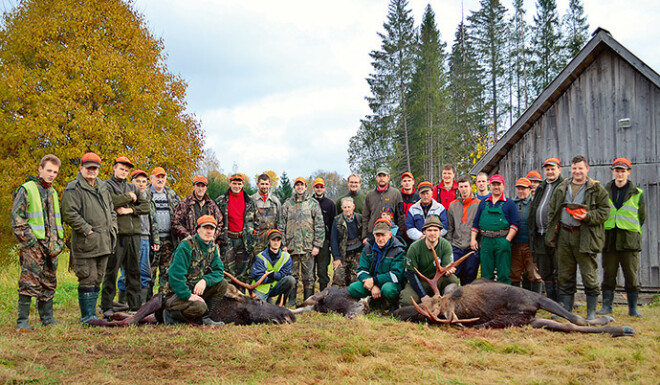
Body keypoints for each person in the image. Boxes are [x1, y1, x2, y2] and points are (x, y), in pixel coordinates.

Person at [546, 155, 609, 320]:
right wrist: (554, 229)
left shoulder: (596, 189)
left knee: (589, 275)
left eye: (580, 168)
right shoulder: (563, 187)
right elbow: (553, 210)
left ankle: (591, 314)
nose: (577, 171)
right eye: (574, 168)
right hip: (565, 236)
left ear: (587, 169)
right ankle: (566, 311)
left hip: (585, 236)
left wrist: (587, 215)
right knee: (565, 275)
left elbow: (604, 212)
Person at [62, 152, 117, 323]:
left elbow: (111, 209)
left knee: (98, 276)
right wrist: (87, 229)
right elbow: (69, 213)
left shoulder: (102, 186)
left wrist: (113, 227)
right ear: (81, 168)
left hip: (104, 241)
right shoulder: (74, 188)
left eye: (95, 168)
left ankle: (93, 313)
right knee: (87, 276)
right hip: (86, 242)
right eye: (89, 168)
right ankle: (87, 316)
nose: (92, 171)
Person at [12, 154, 65, 329]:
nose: (52, 174)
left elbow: (56, 220)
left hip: (52, 246)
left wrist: (59, 241)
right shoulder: (27, 189)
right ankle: (23, 322)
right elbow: (17, 219)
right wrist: (30, 241)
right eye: (49, 170)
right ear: (40, 169)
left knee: (49, 282)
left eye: (55, 172)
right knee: (29, 281)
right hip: (33, 245)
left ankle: (47, 319)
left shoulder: (52, 192)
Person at [101, 156, 151, 315]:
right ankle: (107, 306)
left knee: (134, 271)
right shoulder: (106, 185)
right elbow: (109, 201)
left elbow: (145, 206)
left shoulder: (133, 186)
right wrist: (129, 198)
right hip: (117, 234)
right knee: (112, 271)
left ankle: (135, 306)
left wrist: (130, 209)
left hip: (134, 235)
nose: (123, 172)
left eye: (126, 170)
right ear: (114, 168)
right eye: (121, 168)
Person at [598, 157, 646, 317]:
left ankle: (633, 308)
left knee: (631, 276)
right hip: (609, 240)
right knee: (608, 275)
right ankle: (607, 306)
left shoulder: (637, 193)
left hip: (629, 242)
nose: (619, 173)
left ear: (628, 172)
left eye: (622, 171)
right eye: (617, 170)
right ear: (613, 172)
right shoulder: (604, 191)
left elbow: (641, 217)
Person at [162, 215, 227, 326]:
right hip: (175, 293)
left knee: (222, 284)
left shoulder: (212, 247)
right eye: (205, 228)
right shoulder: (186, 246)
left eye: (211, 229)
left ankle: (205, 318)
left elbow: (219, 271)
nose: (209, 231)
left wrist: (205, 280)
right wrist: (188, 296)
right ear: (198, 229)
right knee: (200, 307)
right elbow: (175, 276)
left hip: (194, 287)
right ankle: (171, 313)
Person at [279, 177, 325, 305]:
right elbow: (281, 225)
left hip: (308, 247)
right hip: (291, 247)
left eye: (302, 185)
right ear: (294, 187)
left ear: (306, 187)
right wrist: (283, 245)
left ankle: (307, 301)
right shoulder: (287, 204)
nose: (300, 187)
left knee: (309, 277)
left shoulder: (313, 203)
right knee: (291, 275)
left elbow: (319, 225)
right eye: (297, 185)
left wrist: (317, 245)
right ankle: (291, 300)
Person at [116, 169, 159, 305]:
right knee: (126, 272)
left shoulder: (149, 198)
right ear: (132, 182)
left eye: (144, 181)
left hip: (146, 237)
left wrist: (155, 239)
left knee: (145, 272)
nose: (141, 184)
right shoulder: (127, 197)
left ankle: (142, 303)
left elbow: (153, 220)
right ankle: (123, 302)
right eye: (138, 181)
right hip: (130, 237)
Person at [470, 174, 520, 285]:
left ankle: (504, 299)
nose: (496, 187)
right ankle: (487, 299)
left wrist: (507, 240)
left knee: (503, 274)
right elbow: (475, 223)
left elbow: (515, 224)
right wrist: (473, 239)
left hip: (502, 240)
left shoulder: (509, 203)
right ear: (490, 185)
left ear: (503, 186)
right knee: (486, 274)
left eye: (499, 184)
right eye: (494, 184)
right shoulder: (483, 203)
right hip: (486, 241)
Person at [400, 216, 458, 307]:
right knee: (407, 301)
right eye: (429, 230)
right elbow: (411, 273)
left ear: (440, 232)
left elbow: (446, 267)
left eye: (435, 230)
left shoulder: (446, 246)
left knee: (452, 280)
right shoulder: (414, 248)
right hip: (421, 282)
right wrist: (422, 295)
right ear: (424, 232)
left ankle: (445, 301)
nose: (432, 233)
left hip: (439, 280)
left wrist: (448, 271)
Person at [348, 218, 405, 308]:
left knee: (388, 290)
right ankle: (375, 301)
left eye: (383, 235)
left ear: (390, 235)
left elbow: (396, 275)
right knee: (353, 288)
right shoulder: (368, 248)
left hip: (390, 283)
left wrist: (374, 280)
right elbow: (361, 270)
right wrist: (372, 285)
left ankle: (392, 305)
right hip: (371, 283)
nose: (380, 239)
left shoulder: (398, 250)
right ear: (373, 235)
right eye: (377, 235)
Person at [528, 157, 563, 301]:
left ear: (559, 170)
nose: (549, 172)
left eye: (552, 169)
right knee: (545, 268)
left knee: (559, 267)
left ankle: (562, 300)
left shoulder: (563, 186)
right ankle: (550, 299)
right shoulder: (542, 187)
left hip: (557, 234)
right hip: (540, 234)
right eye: (547, 169)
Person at [216, 173, 256, 282]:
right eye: (234, 183)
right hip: (227, 240)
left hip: (244, 241)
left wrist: (252, 236)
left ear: (243, 184)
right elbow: (216, 220)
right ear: (230, 183)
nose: (236, 186)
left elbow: (256, 220)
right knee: (227, 272)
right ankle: (229, 297)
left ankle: (241, 297)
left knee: (242, 273)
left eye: (239, 184)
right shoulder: (221, 200)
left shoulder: (250, 201)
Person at [149, 167, 181, 296]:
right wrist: (152, 238)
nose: (160, 180)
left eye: (162, 177)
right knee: (149, 272)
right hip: (151, 240)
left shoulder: (172, 194)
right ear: (151, 179)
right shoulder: (145, 194)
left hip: (169, 240)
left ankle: (162, 299)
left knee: (166, 272)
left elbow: (180, 214)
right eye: (157, 177)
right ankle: (147, 301)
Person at [446, 175, 481, 285]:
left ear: (471, 187)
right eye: (461, 187)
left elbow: (481, 226)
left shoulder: (479, 204)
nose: (464, 189)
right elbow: (450, 228)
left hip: (471, 247)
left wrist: (478, 243)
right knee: (453, 276)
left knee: (470, 277)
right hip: (456, 246)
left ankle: (468, 301)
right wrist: (449, 245)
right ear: (458, 188)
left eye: (466, 186)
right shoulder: (452, 205)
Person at [510, 178, 542, 291]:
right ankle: (517, 301)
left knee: (534, 273)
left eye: (523, 188)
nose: (520, 191)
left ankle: (537, 301)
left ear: (529, 189)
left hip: (530, 245)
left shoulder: (535, 204)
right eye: (518, 189)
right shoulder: (512, 204)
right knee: (514, 273)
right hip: (515, 245)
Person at [171, 175, 223, 244]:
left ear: (206, 188)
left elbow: (220, 223)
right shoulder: (185, 203)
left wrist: (212, 237)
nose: (200, 189)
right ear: (194, 187)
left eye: (203, 186)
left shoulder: (212, 205)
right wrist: (188, 237)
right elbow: (175, 224)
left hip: (207, 244)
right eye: (198, 186)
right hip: (190, 245)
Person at [249, 229, 296, 304]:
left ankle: (280, 304)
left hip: (275, 286)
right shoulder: (260, 257)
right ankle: (266, 299)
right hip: (262, 288)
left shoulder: (286, 257)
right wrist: (274, 278)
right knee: (256, 305)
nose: (276, 242)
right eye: (273, 240)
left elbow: (286, 274)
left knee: (290, 280)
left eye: (278, 240)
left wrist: (272, 275)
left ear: (281, 242)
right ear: (269, 241)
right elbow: (257, 275)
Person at [362, 167, 404, 245]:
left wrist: (400, 234)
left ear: (388, 178)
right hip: (373, 233)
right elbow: (365, 217)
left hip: (390, 232)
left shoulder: (395, 193)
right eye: (379, 176)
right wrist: (364, 236)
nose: (382, 178)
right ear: (376, 178)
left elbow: (401, 215)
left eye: (384, 176)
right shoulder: (369, 195)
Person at [330, 197, 363, 287]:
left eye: (349, 207)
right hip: (342, 253)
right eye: (345, 207)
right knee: (338, 278)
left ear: (353, 207)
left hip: (357, 253)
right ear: (341, 208)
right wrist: (336, 258)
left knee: (356, 279)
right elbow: (334, 240)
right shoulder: (337, 220)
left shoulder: (360, 218)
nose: (347, 209)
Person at [311, 177, 336, 291]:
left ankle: (323, 294)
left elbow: (333, 224)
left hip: (324, 242)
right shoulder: (308, 202)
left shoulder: (330, 204)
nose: (319, 189)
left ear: (324, 188)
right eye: (317, 187)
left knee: (322, 270)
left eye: (321, 187)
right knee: (310, 270)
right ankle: (309, 295)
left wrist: (330, 241)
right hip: (309, 241)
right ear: (313, 188)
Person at [251, 173, 282, 256]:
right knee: (256, 265)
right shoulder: (251, 200)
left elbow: (280, 221)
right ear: (258, 184)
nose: (264, 186)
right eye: (262, 184)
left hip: (272, 240)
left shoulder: (275, 201)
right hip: (256, 240)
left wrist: (279, 239)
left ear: (270, 184)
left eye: (266, 184)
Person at [398, 172, 419, 244]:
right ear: (401, 183)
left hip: (414, 232)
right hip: (400, 233)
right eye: (405, 181)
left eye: (409, 180)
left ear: (413, 182)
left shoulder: (418, 198)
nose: (407, 183)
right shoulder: (398, 197)